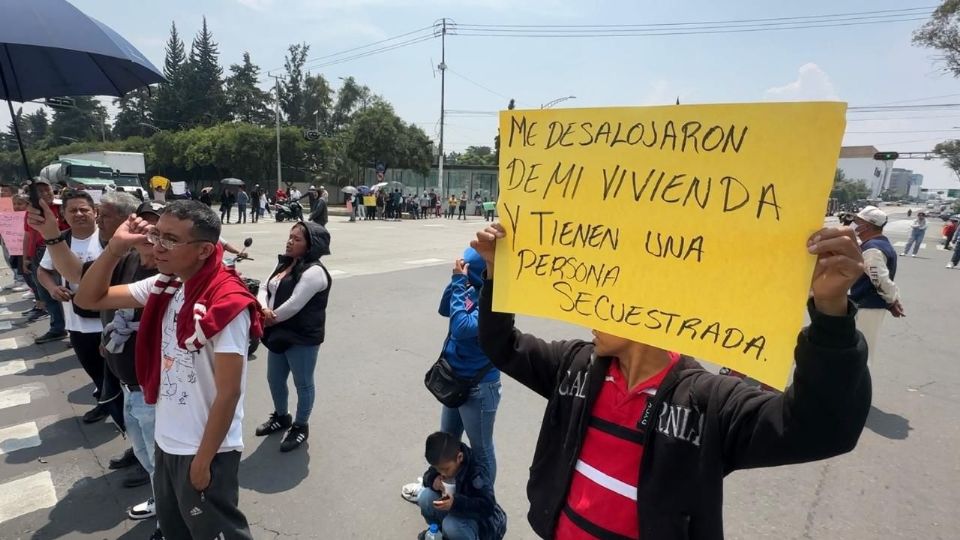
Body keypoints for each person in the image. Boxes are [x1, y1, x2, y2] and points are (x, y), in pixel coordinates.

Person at [469, 222, 871, 539]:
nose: (590, 315)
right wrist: (495, 272)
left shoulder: (709, 402)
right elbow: (501, 345)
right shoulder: (574, 365)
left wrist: (831, 312)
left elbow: (823, 429)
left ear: (646, 306)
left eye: (604, 302)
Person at [75, 200, 261, 539]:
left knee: (217, 533)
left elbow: (229, 392)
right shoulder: (166, 286)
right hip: (168, 440)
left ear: (205, 250)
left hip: (206, 449)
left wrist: (203, 463)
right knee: (177, 531)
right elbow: (88, 298)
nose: (157, 245)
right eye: (156, 234)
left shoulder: (226, 303)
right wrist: (116, 247)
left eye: (171, 239)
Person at [77, 200, 166, 537]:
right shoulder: (128, 261)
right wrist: (115, 247)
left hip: (153, 389)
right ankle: (164, 504)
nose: (148, 232)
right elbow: (87, 295)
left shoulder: (166, 277)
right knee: (145, 455)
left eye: (157, 228)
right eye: (141, 224)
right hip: (128, 383)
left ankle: (170, 518)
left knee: (162, 463)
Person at [32, 191, 118, 424]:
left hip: (109, 321)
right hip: (77, 322)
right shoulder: (59, 241)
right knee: (94, 371)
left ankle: (122, 415)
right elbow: (43, 271)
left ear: (95, 212)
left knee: (118, 373)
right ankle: (104, 403)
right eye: (73, 210)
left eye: (84, 209)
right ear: (63, 214)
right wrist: (52, 289)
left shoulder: (110, 239)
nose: (79, 214)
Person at [255, 222, 332, 452]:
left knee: (303, 383)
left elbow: (295, 304)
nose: (290, 241)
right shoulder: (285, 263)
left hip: (302, 337)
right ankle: (282, 416)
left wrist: (271, 316)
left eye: (297, 239)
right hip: (278, 332)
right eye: (290, 237)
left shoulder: (315, 272)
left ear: (311, 245)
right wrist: (262, 309)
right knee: (274, 379)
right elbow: (263, 287)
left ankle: (300, 426)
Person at [416, 432, 507, 540]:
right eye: (437, 469)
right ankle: (440, 532)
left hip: (484, 525)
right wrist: (433, 480)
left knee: (451, 525)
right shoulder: (444, 463)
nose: (442, 473)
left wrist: (455, 503)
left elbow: (487, 507)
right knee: (425, 497)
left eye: (445, 469)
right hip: (458, 514)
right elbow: (428, 475)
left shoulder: (476, 473)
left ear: (460, 457)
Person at [850, 205, 904, 363]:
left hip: (868, 306)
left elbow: (879, 279)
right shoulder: (879, 244)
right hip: (868, 305)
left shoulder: (872, 249)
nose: (853, 224)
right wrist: (892, 300)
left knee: (862, 348)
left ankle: (858, 385)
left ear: (866, 225)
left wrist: (892, 300)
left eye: (856, 221)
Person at [22, 178, 69, 335]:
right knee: (45, 293)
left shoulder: (62, 208)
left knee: (62, 292)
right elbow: (28, 236)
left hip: (57, 251)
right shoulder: (31, 212)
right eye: (38, 191)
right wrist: (26, 258)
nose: (43, 194)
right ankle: (57, 327)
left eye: (46, 189)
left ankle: (71, 328)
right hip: (37, 254)